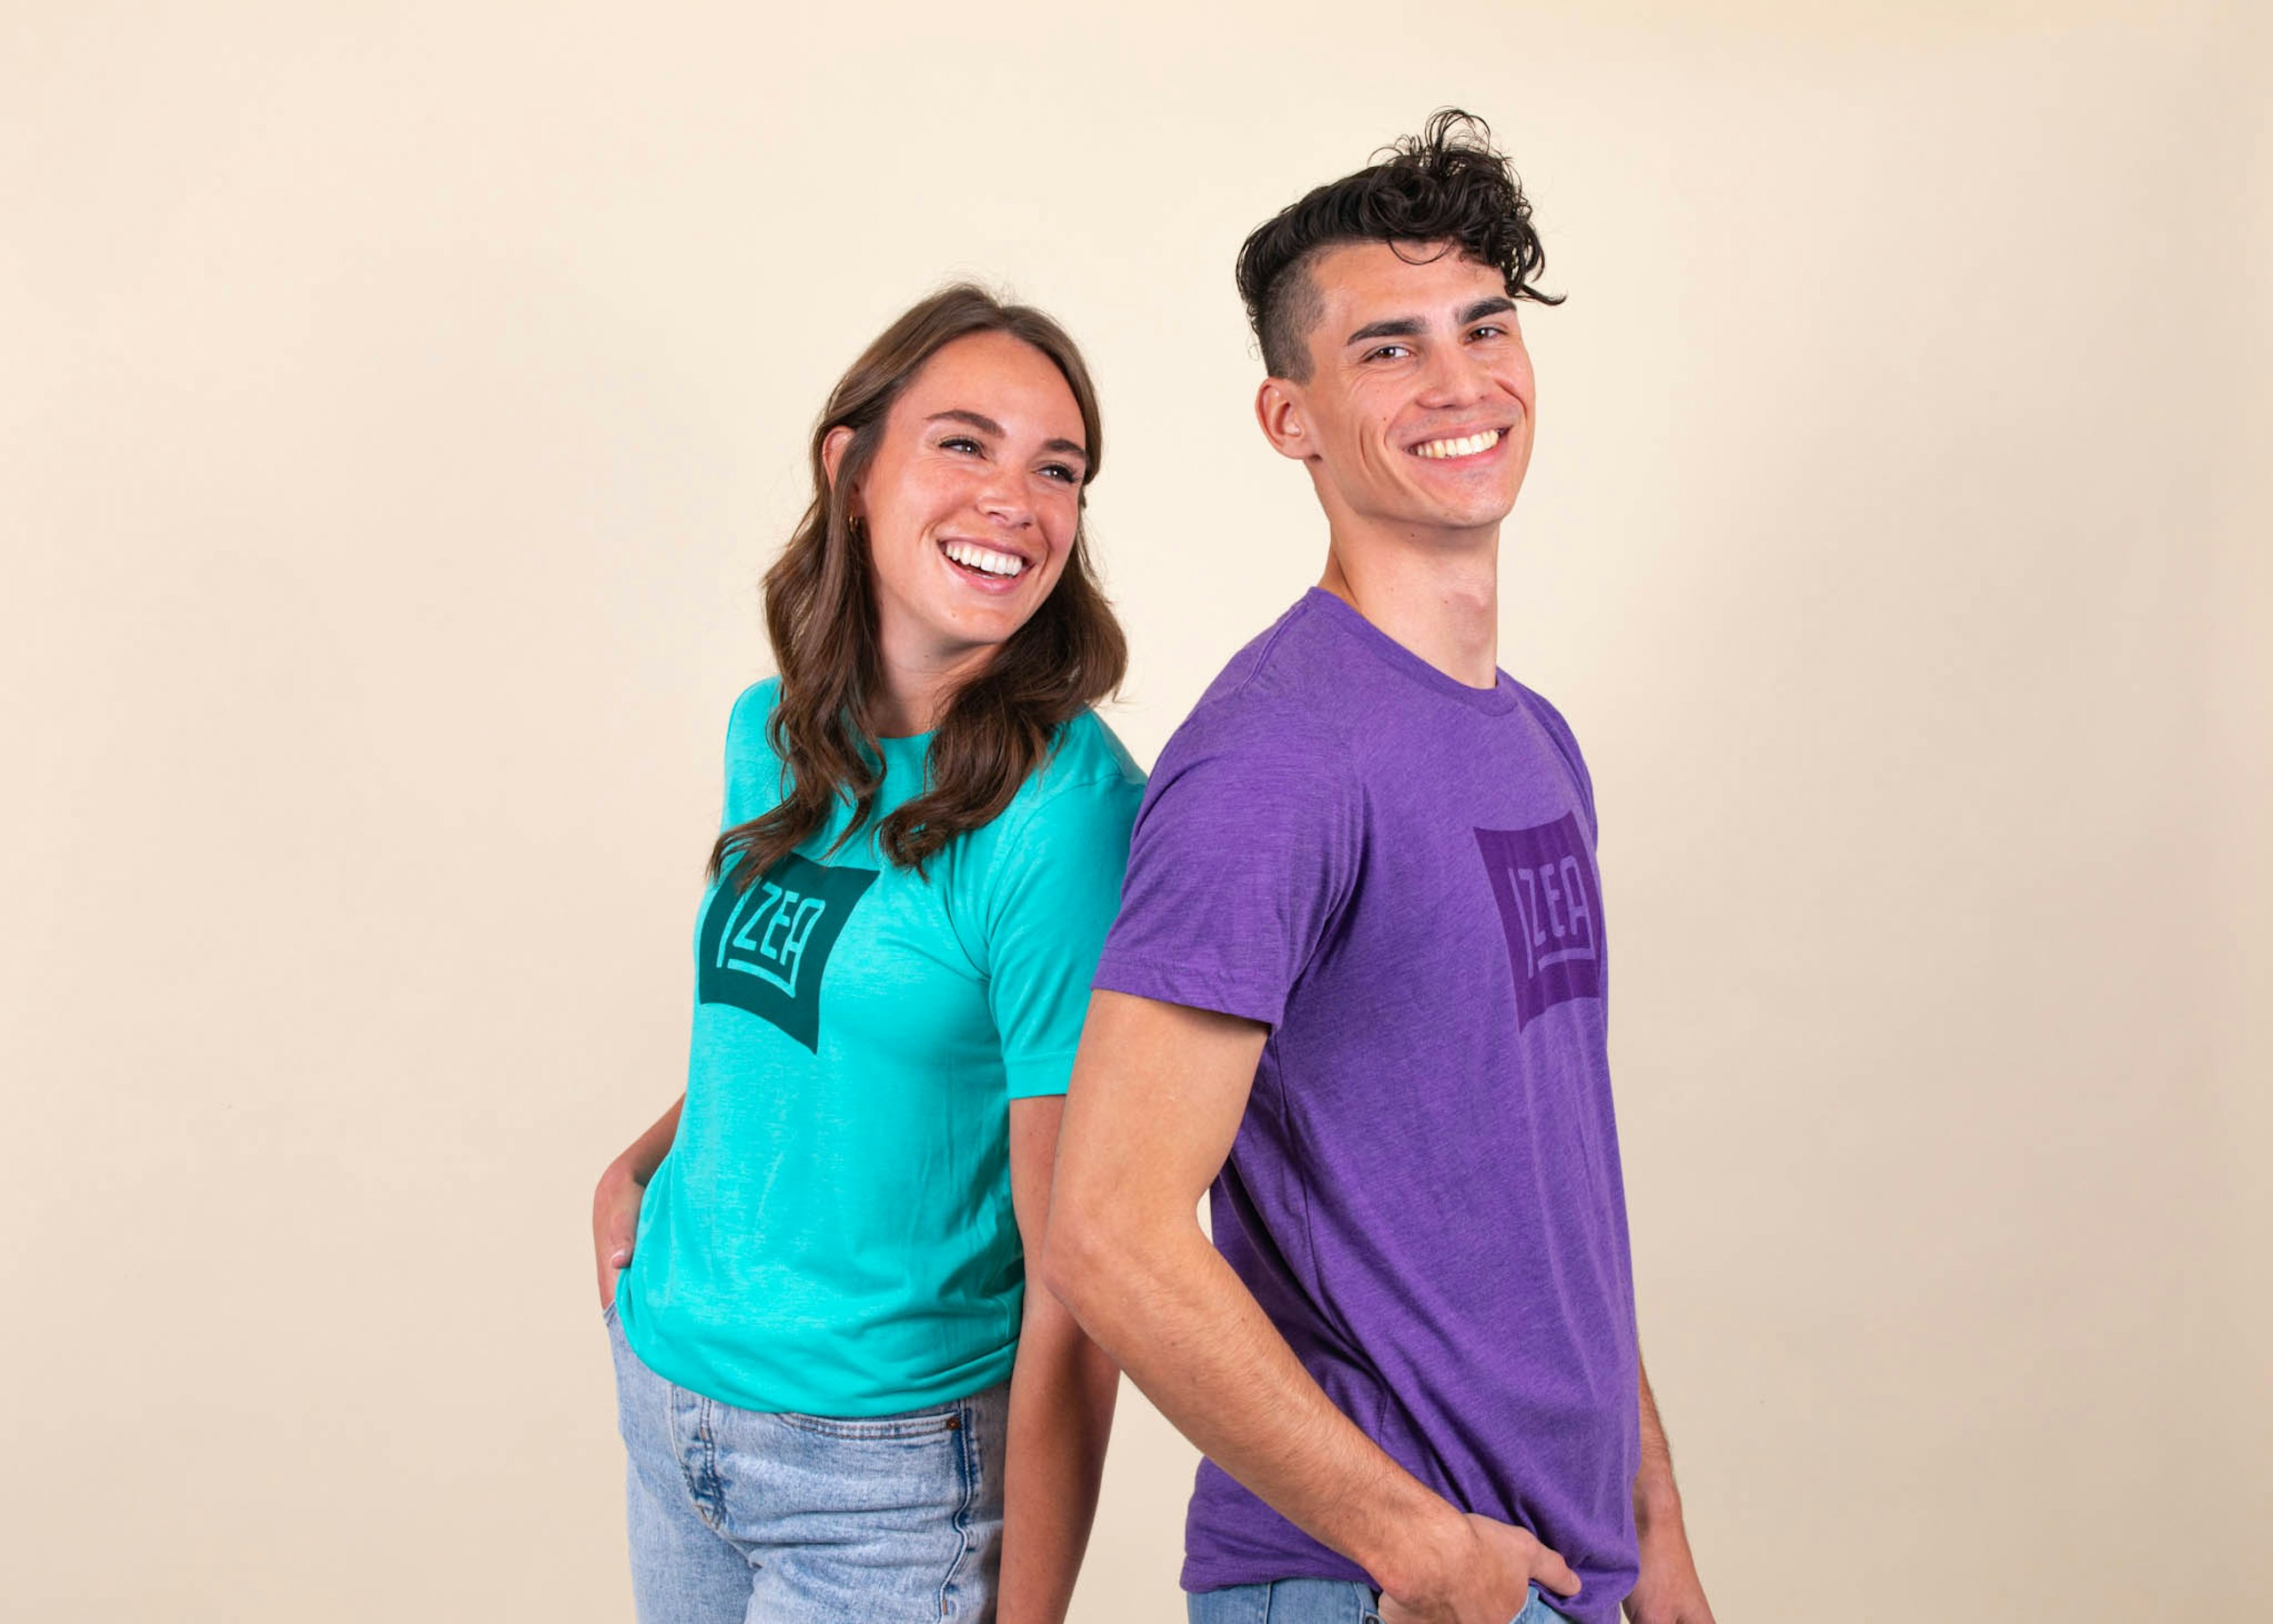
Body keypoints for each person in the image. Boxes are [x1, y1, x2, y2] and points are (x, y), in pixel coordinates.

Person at [1043, 113, 1717, 1624]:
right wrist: (1414, 1541)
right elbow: (1107, 1224)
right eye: (1389, 349)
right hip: (1382, 1586)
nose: (1461, 381)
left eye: (1484, 327)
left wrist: (1651, 1525)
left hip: (1563, 1573)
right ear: (1290, 418)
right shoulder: (1275, 759)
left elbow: (1557, 1190)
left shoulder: (1534, 739)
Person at [590, 284, 1140, 1624]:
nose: (1018, 498)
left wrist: (1031, 1615)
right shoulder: (772, 729)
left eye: (1056, 469)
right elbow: (809, 1012)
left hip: (883, 1478)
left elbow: (1079, 1257)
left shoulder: (1064, 813)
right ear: (850, 467)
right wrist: (644, 1160)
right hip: (670, 1399)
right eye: (966, 443)